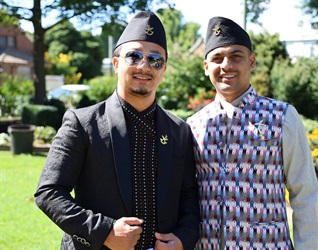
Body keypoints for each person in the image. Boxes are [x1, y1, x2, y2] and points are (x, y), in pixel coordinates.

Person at [35, 11, 200, 250]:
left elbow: (188, 195)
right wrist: (104, 232)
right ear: (115, 63)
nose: (145, 65)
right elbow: (48, 192)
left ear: (163, 70)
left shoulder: (179, 130)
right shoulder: (82, 123)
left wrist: (183, 238)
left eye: (156, 60)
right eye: (134, 56)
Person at [187, 16, 318, 249]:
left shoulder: (283, 116)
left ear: (252, 61)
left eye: (236, 56)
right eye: (217, 58)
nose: (226, 65)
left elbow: (304, 192)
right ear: (206, 67)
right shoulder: (193, 125)